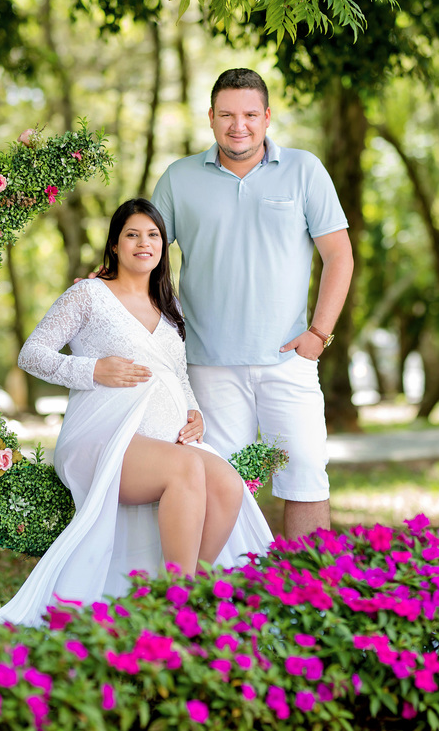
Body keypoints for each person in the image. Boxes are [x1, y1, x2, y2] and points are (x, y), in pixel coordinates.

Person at [0, 199, 273, 626]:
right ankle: (177, 607)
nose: (144, 243)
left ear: (163, 246)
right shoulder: (89, 294)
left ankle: (196, 589)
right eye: (133, 235)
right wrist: (93, 369)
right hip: (100, 438)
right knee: (184, 470)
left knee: (229, 485)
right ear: (115, 245)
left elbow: (175, 374)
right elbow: (33, 354)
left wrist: (195, 413)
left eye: (153, 235)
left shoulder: (168, 306)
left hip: (163, 440)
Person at [151, 68, 354, 541]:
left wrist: (318, 335)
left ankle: (309, 590)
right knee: (220, 485)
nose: (237, 125)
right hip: (207, 364)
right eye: (226, 114)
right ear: (211, 118)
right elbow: (145, 252)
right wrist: (103, 285)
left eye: (248, 114)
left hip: (290, 360)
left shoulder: (305, 170)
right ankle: (231, 598)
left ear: (266, 117)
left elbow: (339, 256)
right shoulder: (179, 178)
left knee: (305, 476)